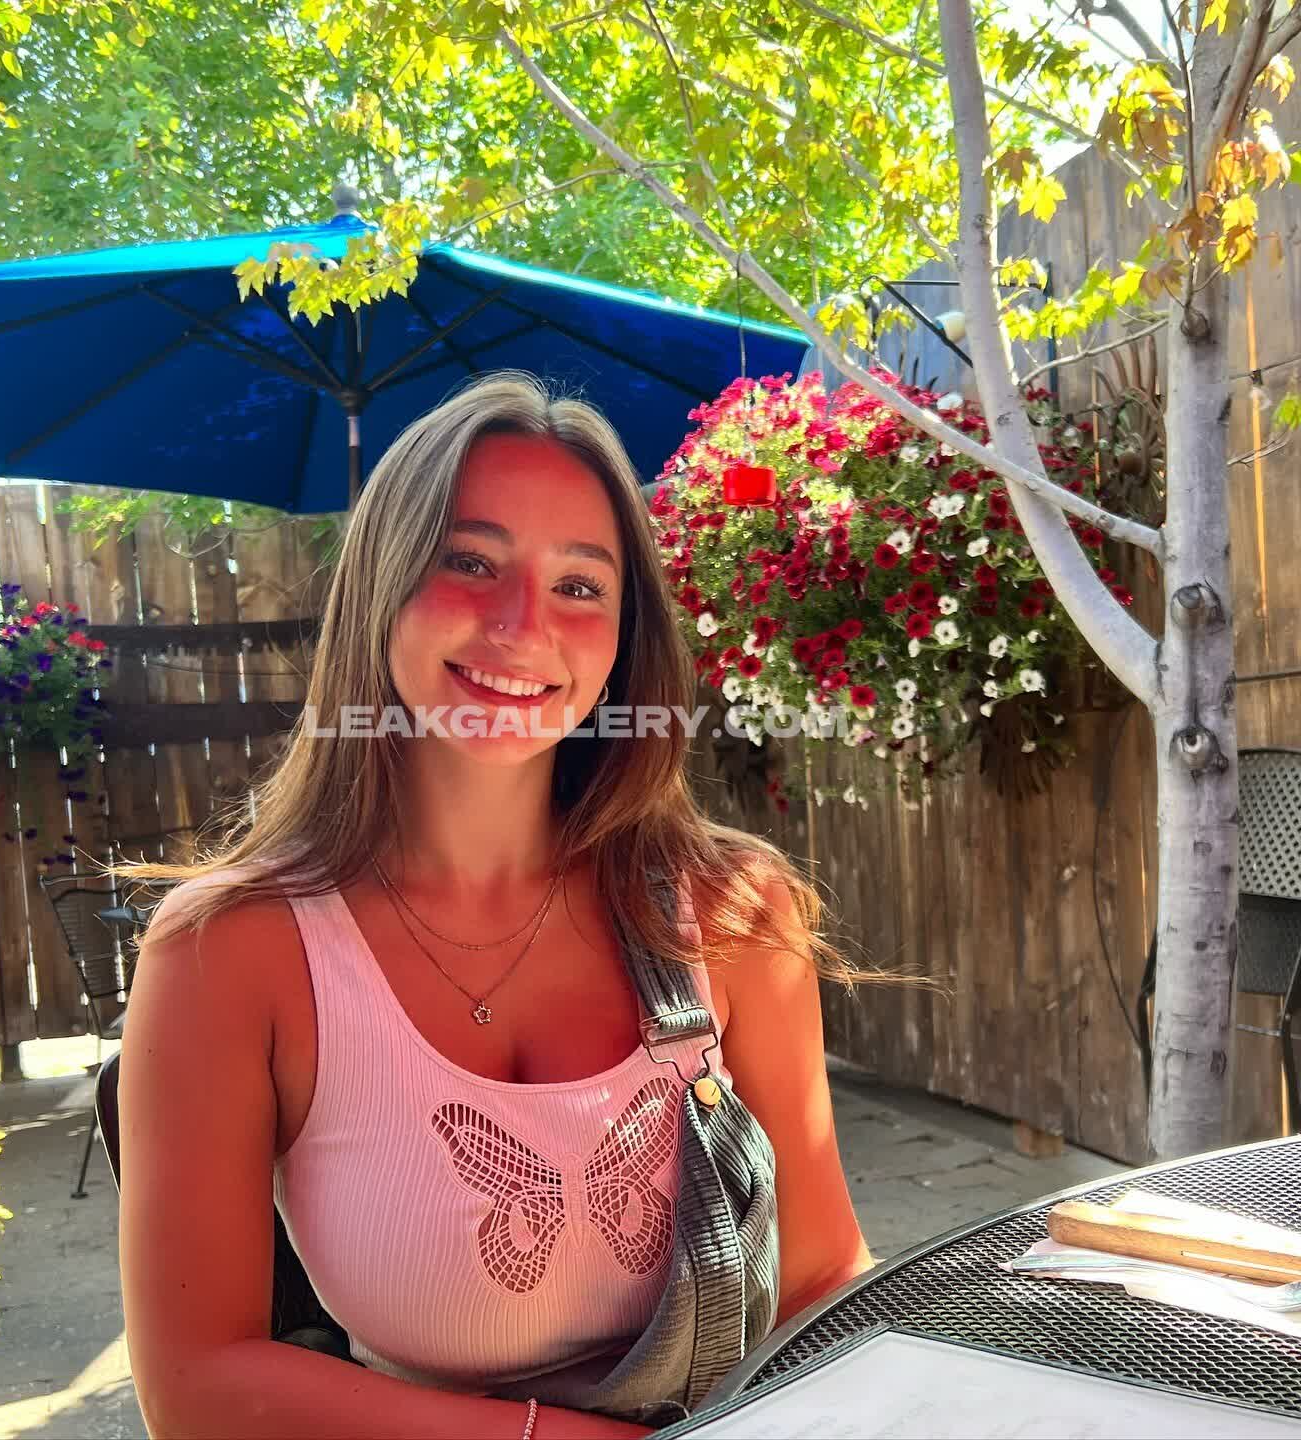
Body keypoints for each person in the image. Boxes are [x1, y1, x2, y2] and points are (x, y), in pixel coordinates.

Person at [116, 370, 873, 1439]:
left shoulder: (734, 913)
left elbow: (825, 1284)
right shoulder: (230, 950)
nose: (523, 627)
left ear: (624, 639)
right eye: (469, 562)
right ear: (381, 589)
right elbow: (198, 1387)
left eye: (580, 585)